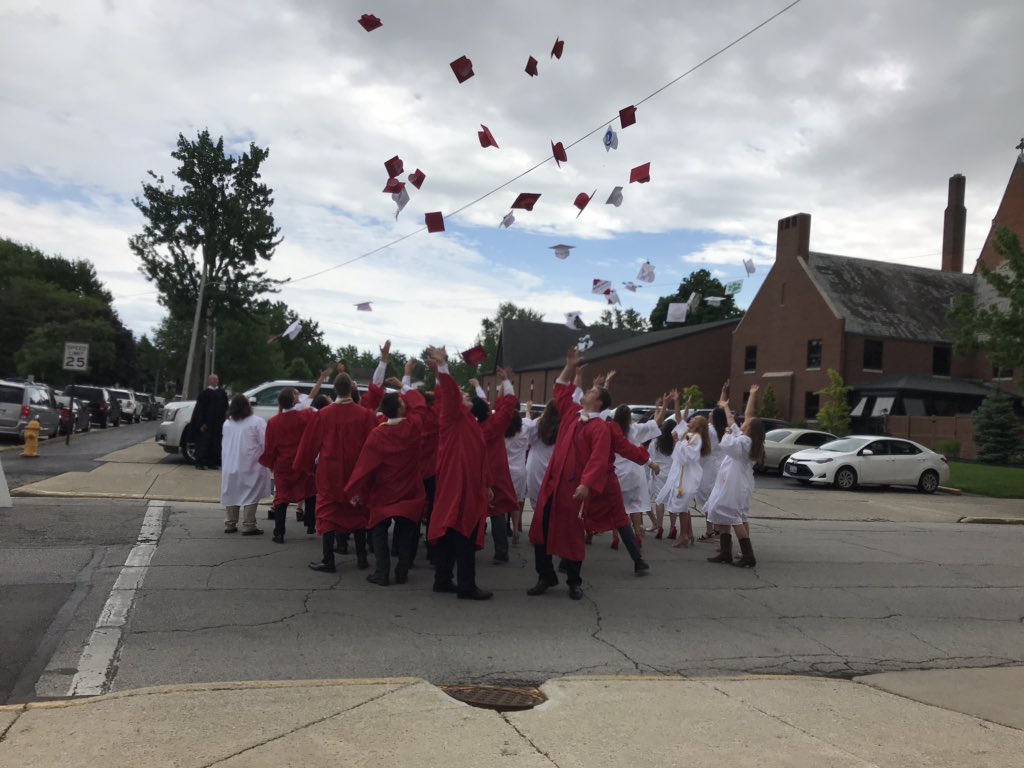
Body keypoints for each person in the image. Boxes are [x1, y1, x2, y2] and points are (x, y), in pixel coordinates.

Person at [527, 347, 616, 601]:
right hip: (553, 485)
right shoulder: (571, 414)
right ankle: (545, 575)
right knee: (541, 530)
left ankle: (574, 581)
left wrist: (587, 485)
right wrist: (569, 366)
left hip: (574, 488)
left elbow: (598, 460)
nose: (586, 392)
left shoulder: (599, 427)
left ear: (598, 402)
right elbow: (561, 389)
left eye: (591, 391)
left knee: (572, 534)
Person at [423, 346, 494, 600]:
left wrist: (486, 484)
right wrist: (443, 367)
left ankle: (442, 579)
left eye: (466, 395)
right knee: (463, 530)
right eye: (463, 394)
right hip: (458, 483)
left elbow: (446, 394)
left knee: (451, 531)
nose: (463, 395)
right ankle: (466, 585)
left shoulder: (468, 422)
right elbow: (449, 394)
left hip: (466, 483)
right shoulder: (453, 417)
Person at [345, 370, 427, 587]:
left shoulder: (378, 434)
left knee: (378, 530)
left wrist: (358, 491)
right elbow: (420, 406)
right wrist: (405, 384)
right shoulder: (413, 428)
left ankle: (382, 572)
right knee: (407, 531)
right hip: (409, 489)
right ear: (401, 408)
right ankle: (402, 570)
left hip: (385, 489)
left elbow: (365, 467)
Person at [294, 372, 378, 574]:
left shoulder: (323, 415)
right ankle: (362, 557)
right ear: (352, 388)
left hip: (330, 470)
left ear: (335, 390)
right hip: (356, 469)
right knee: (357, 510)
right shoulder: (365, 415)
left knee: (328, 512)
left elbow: (309, 444)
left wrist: (307, 467)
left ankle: (328, 559)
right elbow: (374, 445)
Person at [705, 384, 764, 567]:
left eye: (746, 422)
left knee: (733, 516)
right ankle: (725, 552)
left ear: (749, 429)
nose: (743, 421)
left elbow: (727, 445)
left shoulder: (744, 441)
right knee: (723, 513)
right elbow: (736, 419)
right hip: (734, 481)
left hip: (734, 483)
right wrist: (726, 406)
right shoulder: (747, 438)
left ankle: (748, 555)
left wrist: (728, 433)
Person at [469, 374, 519, 565]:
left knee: (473, 508)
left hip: (476, 469)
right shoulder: (495, 424)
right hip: (496, 469)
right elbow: (508, 405)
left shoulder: (470, 428)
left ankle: (471, 543)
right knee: (497, 510)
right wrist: (506, 381)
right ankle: (501, 550)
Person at [258, 388, 316, 544]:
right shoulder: (305, 416)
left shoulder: (273, 422)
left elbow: (270, 446)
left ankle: (279, 533)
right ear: (293, 400)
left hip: (283, 463)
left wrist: (271, 463)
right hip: (301, 461)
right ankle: (311, 523)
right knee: (310, 490)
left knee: (282, 496)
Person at [220, 394, 272, 535]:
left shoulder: (228, 423)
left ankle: (230, 523)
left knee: (231, 491)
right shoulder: (257, 421)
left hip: (230, 463)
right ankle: (249, 524)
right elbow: (265, 442)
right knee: (251, 492)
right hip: (251, 464)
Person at [660, 415, 709, 549]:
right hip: (683, 475)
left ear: (698, 425)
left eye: (694, 420)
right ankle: (686, 534)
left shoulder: (696, 438)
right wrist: (679, 441)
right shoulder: (689, 435)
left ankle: (684, 536)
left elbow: (688, 455)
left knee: (682, 507)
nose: (691, 420)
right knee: (683, 507)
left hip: (688, 477)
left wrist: (678, 442)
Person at [190, 374, 229, 470]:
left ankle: (212, 462)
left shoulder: (222, 394)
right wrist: (201, 423)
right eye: (213, 380)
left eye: (217, 380)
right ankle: (200, 463)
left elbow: (226, 408)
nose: (215, 381)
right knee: (203, 444)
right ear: (209, 381)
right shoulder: (204, 394)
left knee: (215, 444)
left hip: (218, 424)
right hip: (206, 424)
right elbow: (199, 410)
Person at [504, 409, 529, 544]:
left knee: (503, 502)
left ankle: (502, 530)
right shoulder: (524, 432)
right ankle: (515, 530)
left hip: (505, 470)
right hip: (520, 470)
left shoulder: (503, 433)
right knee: (517, 502)